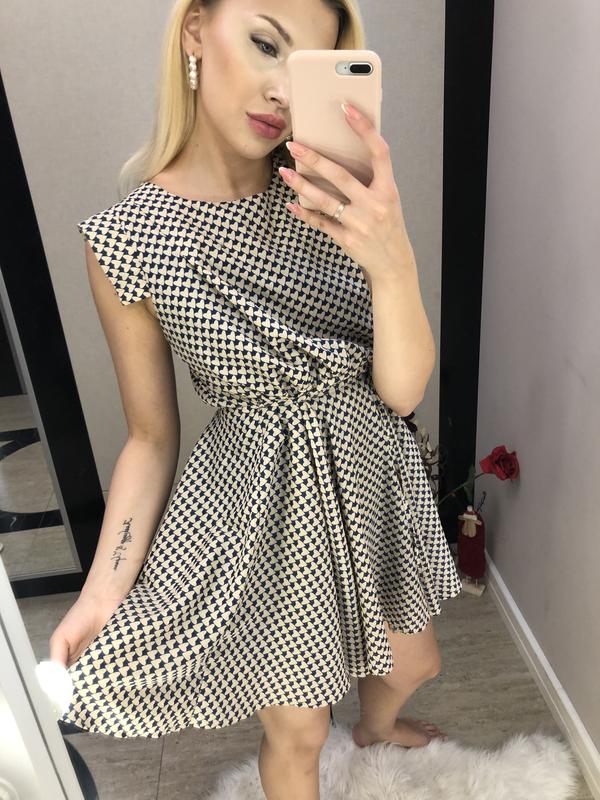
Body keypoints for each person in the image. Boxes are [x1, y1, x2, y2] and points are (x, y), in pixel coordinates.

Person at [50, 1, 462, 797]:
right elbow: (150, 437)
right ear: (195, 29)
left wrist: (394, 260)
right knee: (299, 731)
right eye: (266, 44)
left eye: (306, 66)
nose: (282, 89)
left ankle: (374, 729)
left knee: (415, 661)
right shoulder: (127, 239)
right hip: (266, 504)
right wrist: (103, 590)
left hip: (371, 470)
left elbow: (403, 390)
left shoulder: (334, 194)